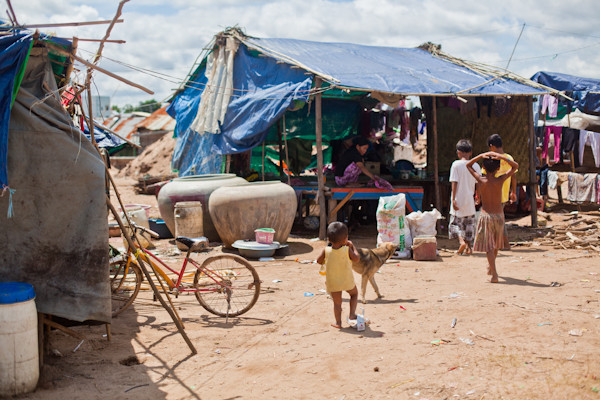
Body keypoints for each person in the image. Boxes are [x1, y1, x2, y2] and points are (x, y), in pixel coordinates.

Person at [466, 152, 518, 283]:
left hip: (486, 216)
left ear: (483, 167)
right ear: (498, 169)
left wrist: (482, 155)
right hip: (499, 216)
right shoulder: (500, 180)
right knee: (494, 245)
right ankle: (491, 268)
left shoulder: (481, 180)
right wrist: (501, 157)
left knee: (489, 246)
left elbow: (468, 165)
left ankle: (494, 274)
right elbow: (515, 166)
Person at [316, 221, 359, 328]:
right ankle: (352, 315)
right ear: (346, 239)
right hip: (347, 280)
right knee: (354, 294)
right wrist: (353, 246)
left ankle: (338, 323)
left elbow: (318, 261)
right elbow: (357, 259)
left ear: (328, 239)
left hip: (333, 283)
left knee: (337, 303)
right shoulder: (347, 249)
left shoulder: (326, 251)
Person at [482, 134, 517, 249]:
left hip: (494, 195)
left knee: (498, 220)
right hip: (502, 195)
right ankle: (501, 244)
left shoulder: (492, 158)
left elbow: (484, 177)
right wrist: (513, 192)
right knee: (499, 219)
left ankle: (503, 244)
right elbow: (514, 177)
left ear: (491, 146)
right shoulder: (508, 158)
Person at [449, 139, 480, 255]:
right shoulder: (475, 165)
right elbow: (479, 183)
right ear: (471, 152)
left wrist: (453, 199)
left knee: (455, 224)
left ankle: (461, 241)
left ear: (458, 152)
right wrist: (478, 196)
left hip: (458, 198)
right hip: (470, 199)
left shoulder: (456, 165)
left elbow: (454, 182)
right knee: (469, 225)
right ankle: (469, 247)